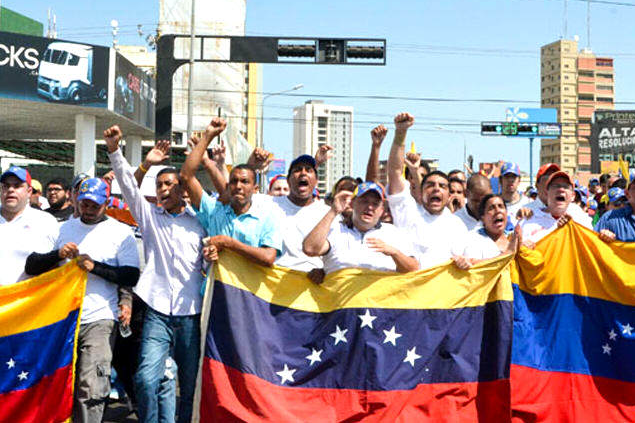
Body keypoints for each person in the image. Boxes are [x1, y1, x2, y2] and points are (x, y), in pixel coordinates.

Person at [104, 126, 206, 423]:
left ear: (183, 189)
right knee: (146, 380)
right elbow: (126, 185)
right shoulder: (149, 217)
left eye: (169, 184)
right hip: (156, 312)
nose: (162, 190)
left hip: (191, 313)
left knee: (188, 387)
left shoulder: (200, 221)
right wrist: (115, 150)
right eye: (159, 185)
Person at [26, 177, 140, 423]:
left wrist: (94, 267)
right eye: (85, 204)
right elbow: (33, 265)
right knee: (59, 381)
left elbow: (131, 275)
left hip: (100, 317)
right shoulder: (64, 229)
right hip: (63, 317)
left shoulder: (121, 233)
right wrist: (57, 254)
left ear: (106, 203)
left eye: (94, 205)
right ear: (76, 200)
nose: (88, 210)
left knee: (91, 386)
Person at [181, 118, 282, 267]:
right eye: (233, 182)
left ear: (255, 189)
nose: (238, 186)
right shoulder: (215, 212)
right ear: (228, 187)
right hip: (217, 289)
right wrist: (208, 136)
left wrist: (229, 244)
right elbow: (186, 176)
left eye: (245, 182)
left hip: (248, 290)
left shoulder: (266, 218)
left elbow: (268, 257)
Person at [386, 113, 469, 268]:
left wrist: (464, 263)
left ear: (449, 195)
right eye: (430, 185)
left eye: (442, 186)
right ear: (420, 191)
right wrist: (400, 133)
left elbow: (466, 262)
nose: (436, 189)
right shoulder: (408, 211)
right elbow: (395, 172)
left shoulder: (457, 226)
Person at [303, 182, 419, 274]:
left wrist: (395, 253)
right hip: (340, 302)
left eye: (375, 204)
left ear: (382, 210)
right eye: (364, 201)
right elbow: (310, 249)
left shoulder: (392, 233)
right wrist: (333, 211)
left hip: (377, 302)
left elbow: (413, 269)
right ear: (352, 203)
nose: (369, 207)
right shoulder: (336, 229)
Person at [0, 166, 60, 285]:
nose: (11, 190)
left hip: (29, 301)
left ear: (29, 192)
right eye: (6, 186)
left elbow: (57, 264)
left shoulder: (46, 222)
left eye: (17, 186)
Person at [453, 194, 521, 269]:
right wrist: (508, 253)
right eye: (491, 208)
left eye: (501, 206)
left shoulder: (513, 238)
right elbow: (475, 268)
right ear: (482, 218)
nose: (498, 211)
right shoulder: (473, 239)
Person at [519, 170, 584, 244]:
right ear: (547, 193)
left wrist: (573, 228)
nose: (561, 189)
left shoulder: (581, 218)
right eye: (555, 186)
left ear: (573, 196)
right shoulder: (528, 219)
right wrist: (522, 248)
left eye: (566, 186)